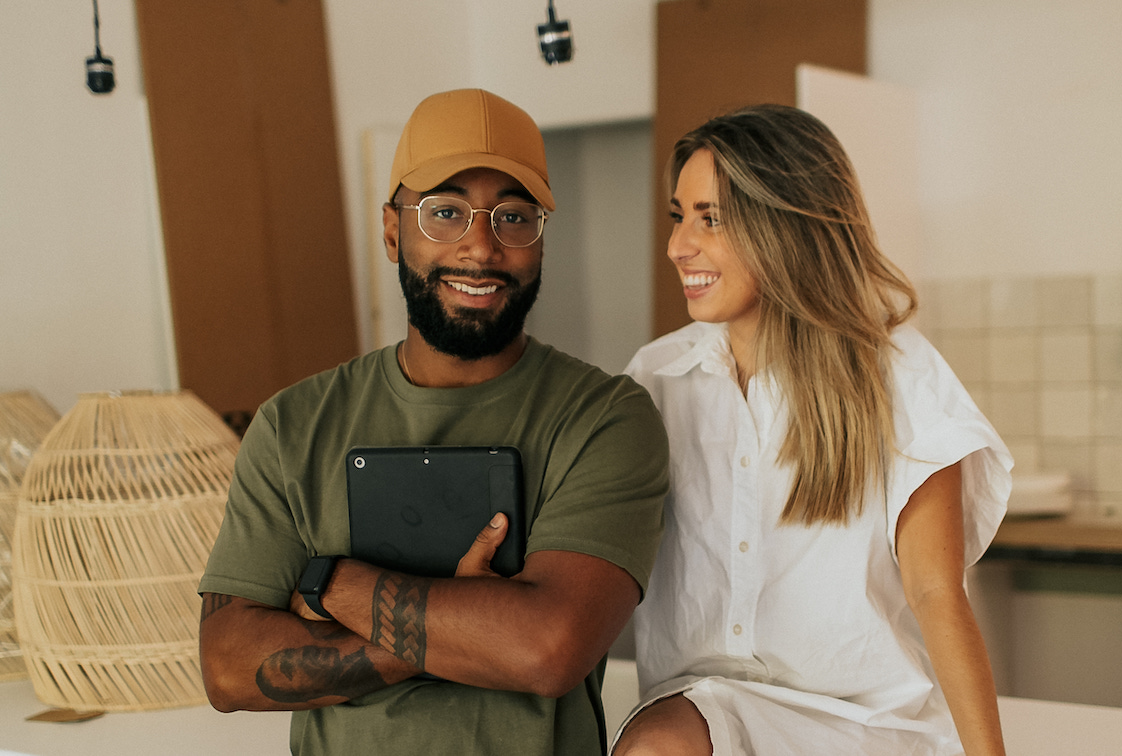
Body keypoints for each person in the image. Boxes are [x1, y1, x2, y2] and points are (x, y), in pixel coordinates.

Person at [198, 88, 669, 756]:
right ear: (392, 229)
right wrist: (469, 626)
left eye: (513, 215)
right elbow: (225, 667)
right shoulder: (293, 426)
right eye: (445, 211)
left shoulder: (603, 419)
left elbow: (546, 650)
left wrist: (332, 584)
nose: (480, 247)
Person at [612, 104, 1013, 756]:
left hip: (860, 725)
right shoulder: (654, 379)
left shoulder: (899, 377)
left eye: (711, 219)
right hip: (703, 710)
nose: (678, 245)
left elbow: (936, 591)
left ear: (784, 223)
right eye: (679, 216)